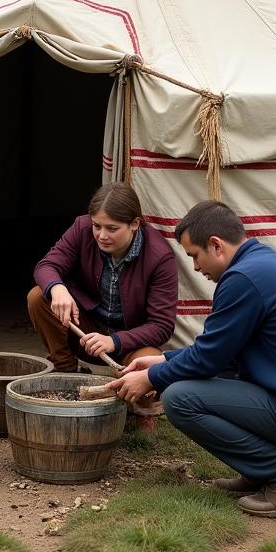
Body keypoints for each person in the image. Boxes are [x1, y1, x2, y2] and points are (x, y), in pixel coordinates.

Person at [108, 200, 276, 517]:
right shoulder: (264, 264)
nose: (197, 268)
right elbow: (222, 349)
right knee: (192, 382)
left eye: (195, 256)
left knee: (179, 398)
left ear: (215, 245)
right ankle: (261, 472)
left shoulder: (242, 279)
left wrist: (151, 378)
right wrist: (162, 361)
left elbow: (209, 359)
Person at [27, 181, 178, 435]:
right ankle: (67, 375)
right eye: (97, 226)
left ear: (134, 224)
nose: (101, 235)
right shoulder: (82, 228)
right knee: (38, 297)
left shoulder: (159, 256)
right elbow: (46, 266)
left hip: (130, 343)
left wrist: (115, 341)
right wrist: (57, 288)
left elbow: (162, 326)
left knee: (148, 364)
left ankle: (142, 410)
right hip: (85, 332)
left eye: (112, 228)